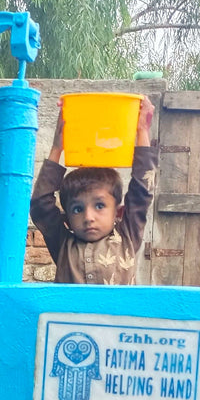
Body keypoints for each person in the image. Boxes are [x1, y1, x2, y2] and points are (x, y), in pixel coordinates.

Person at [30, 95, 158, 285]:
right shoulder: (63, 244)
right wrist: (58, 148)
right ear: (67, 219)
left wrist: (142, 131)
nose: (88, 217)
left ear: (118, 212)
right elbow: (41, 204)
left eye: (99, 205)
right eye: (77, 209)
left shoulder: (127, 237)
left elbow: (141, 191)